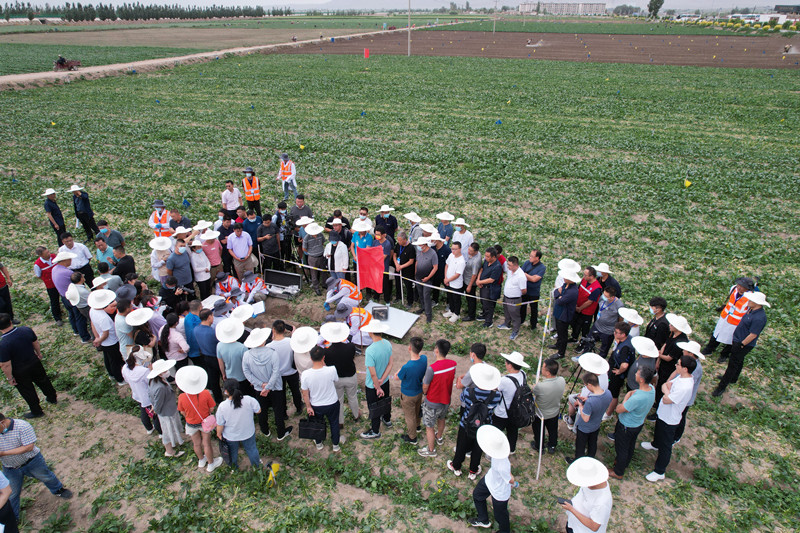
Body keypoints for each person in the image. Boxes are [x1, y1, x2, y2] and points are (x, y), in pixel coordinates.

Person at [0, 413, 72, 519]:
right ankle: (13, 517)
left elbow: (28, 447)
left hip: (32, 461)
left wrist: (3, 453)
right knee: (11, 493)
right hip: (10, 467)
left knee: (46, 476)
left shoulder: (22, 426)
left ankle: (58, 490)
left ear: (2, 423)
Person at [641, 356, 696, 482]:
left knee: (666, 446)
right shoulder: (682, 378)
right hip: (664, 413)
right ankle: (655, 444)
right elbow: (666, 384)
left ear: (685, 368)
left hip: (670, 418)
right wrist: (667, 390)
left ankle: (659, 471)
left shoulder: (685, 386)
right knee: (659, 431)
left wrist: (666, 391)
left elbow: (667, 399)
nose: (676, 365)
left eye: (678, 364)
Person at [447, 363, 502, 478]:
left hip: (466, 423)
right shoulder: (496, 396)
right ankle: (473, 470)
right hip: (484, 426)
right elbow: (497, 404)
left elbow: (462, 400)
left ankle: (456, 466)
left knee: (461, 445)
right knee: (478, 448)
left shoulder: (468, 392)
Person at [0, 314, 57, 419]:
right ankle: (52, 397)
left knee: (27, 390)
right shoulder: (25, 330)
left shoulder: (3, 344)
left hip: (19, 370)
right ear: (11, 322)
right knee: (43, 380)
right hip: (34, 361)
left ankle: (36, 410)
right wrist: (38, 353)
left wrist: (10, 378)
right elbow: (35, 342)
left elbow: (5, 364)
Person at [713, 291, 768, 398]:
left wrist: (741, 344)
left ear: (757, 303)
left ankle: (722, 386)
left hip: (743, 344)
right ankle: (733, 378)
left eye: (751, 300)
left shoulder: (759, 318)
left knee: (732, 364)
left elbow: (753, 335)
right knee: (739, 360)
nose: (748, 301)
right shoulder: (751, 310)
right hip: (738, 339)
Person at [242, 327, 292, 440]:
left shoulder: (247, 355)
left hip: (259, 389)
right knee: (278, 409)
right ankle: (281, 432)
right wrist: (269, 386)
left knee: (262, 409)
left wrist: (261, 384)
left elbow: (247, 372)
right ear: (263, 340)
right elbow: (276, 372)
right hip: (275, 387)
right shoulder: (272, 353)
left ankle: (265, 430)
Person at [607, 366, 655, 479]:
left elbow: (619, 409)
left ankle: (618, 472)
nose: (635, 374)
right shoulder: (651, 389)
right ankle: (624, 463)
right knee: (630, 445)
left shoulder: (637, 398)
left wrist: (626, 397)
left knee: (621, 448)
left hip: (626, 425)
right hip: (638, 423)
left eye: (637, 373)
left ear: (642, 379)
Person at [175, 366, 224, 473]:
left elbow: (182, 411)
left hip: (191, 423)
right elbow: (212, 407)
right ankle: (211, 464)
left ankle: (201, 460)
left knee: (196, 443)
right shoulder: (205, 393)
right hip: (204, 422)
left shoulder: (182, 397)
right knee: (206, 443)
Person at [469, 425, 515, 532]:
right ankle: (483, 519)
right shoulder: (497, 455)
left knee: (500, 515)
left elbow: (510, 480)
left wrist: (512, 477)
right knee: (477, 495)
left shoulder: (503, 465)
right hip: (490, 479)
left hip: (499, 491)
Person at [418, 339, 457, 455]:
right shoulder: (453, 364)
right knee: (441, 419)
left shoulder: (432, 368)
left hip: (432, 402)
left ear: (436, 350)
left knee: (429, 426)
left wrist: (425, 393)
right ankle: (439, 437)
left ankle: (431, 450)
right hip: (446, 400)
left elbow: (425, 386)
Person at [702, 277, 754, 362]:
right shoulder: (733, 289)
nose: (739, 287)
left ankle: (724, 355)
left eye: (742, 286)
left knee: (730, 340)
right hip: (725, 317)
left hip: (735, 322)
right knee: (716, 333)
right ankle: (709, 349)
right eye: (739, 285)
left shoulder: (751, 298)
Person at [301, 347, 342, 452]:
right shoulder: (331, 369)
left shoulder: (305, 374)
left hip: (316, 404)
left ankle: (319, 443)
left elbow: (305, 394)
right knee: (334, 423)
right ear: (324, 357)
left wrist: (308, 406)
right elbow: (336, 380)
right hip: (332, 402)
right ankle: (335, 445)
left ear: (311, 358)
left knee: (317, 423)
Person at [216, 379, 263, 469]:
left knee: (233, 452)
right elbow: (258, 411)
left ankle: (234, 468)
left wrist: (218, 434)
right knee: (252, 449)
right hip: (248, 432)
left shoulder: (222, 406)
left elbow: (220, 424)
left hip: (231, 436)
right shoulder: (249, 400)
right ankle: (256, 466)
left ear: (226, 391)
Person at [566, 373, 612, 464]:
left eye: (585, 385)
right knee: (592, 443)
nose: (586, 387)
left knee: (580, 446)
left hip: (584, 428)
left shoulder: (590, 402)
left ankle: (577, 461)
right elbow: (600, 401)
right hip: (596, 425)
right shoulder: (608, 393)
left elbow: (585, 418)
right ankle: (591, 458)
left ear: (590, 384)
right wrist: (587, 399)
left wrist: (581, 405)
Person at [320, 322, 359, 427]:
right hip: (350, 376)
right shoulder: (350, 347)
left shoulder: (326, 352)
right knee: (353, 397)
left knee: (338, 400)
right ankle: (356, 415)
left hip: (336, 379)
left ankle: (340, 421)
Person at [652, 313, 691, 415]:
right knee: (659, 382)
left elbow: (669, 358)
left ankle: (658, 410)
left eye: (672, 325)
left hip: (669, 368)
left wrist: (658, 355)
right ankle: (656, 401)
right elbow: (665, 345)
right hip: (663, 365)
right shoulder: (672, 334)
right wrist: (658, 360)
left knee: (663, 385)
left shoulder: (680, 342)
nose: (669, 325)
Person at [561, 457, 613, 533]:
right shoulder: (592, 478)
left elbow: (594, 526)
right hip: (574, 524)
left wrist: (571, 509)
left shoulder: (602, 502)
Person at [492, 351, 530, 454]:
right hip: (516, 411)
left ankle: (493, 450)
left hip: (503, 411)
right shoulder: (523, 374)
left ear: (510, 365)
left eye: (506, 362)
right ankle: (511, 449)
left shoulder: (505, 380)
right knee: (513, 430)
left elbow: (495, 388)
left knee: (496, 431)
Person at [360, 321, 393, 439]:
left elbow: (373, 373)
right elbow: (390, 364)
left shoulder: (370, 350)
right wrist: (383, 379)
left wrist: (377, 386)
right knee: (385, 400)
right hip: (385, 381)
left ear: (370, 332)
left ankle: (375, 430)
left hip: (372, 385)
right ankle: (387, 419)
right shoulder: (388, 343)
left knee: (374, 407)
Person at [393, 337, 428, 445]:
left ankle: (412, 437)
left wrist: (398, 371)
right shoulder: (424, 359)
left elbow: (397, 377)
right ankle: (417, 426)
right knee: (417, 410)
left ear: (409, 348)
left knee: (409, 416)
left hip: (408, 395)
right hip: (419, 391)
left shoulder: (407, 367)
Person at [147, 359, 185, 458]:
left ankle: (173, 445)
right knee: (167, 432)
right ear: (159, 374)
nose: (167, 372)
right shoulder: (160, 387)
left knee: (170, 430)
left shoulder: (155, 381)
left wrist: (153, 405)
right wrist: (156, 408)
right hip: (166, 412)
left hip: (168, 409)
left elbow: (151, 396)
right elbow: (158, 403)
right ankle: (169, 451)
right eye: (165, 371)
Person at [122, 345, 162, 435]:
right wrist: (151, 371)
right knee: (155, 414)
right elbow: (151, 383)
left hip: (137, 393)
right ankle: (160, 432)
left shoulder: (125, 368)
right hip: (148, 396)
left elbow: (126, 379)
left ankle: (149, 428)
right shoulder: (144, 371)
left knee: (143, 410)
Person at [52, 251, 90, 341]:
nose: (71, 261)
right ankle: (85, 337)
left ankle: (76, 330)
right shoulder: (67, 272)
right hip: (73, 297)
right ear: (64, 260)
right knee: (79, 317)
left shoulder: (54, 269)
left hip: (64, 296)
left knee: (72, 315)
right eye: (70, 259)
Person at [88, 289, 124, 385]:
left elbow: (93, 325)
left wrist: (97, 337)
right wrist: (99, 340)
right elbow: (106, 333)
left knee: (108, 358)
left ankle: (111, 374)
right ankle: (119, 379)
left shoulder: (92, 310)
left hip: (103, 341)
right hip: (110, 341)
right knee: (114, 361)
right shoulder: (104, 318)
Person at [531, 358, 566, 454]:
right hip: (554, 412)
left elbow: (534, 392)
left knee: (539, 431)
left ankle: (539, 446)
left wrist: (534, 387)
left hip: (540, 414)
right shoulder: (562, 380)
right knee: (553, 430)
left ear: (548, 372)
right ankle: (552, 445)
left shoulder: (541, 386)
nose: (541, 369)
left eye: (542, 367)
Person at [672, 340, 703, 444]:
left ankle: (676, 436)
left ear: (691, 353)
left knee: (680, 416)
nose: (683, 351)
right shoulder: (689, 363)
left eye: (685, 350)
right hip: (678, 394)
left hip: (684, 398)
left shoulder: (696, 369)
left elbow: (686, 385)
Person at [269, 320, 303, 415]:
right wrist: (294, 333)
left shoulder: (269, 346)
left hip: (278, 374)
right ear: (284, 330)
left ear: (273, 330)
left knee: (281, 393)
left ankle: (283, 413)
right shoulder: (291, 341)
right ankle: (299, 407)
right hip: (292, 371)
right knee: (295, 391)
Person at [603, 322, 636, 419]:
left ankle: (608, 413)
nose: (614, 333)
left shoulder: (625, 348)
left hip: (616, 375)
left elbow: (624, 365)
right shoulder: (626, 339)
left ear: (623, 334)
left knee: (614, 394)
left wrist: (619, 371)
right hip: (613, 367)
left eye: (616, 332)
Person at [216, 317, 253, 397]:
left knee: (234, 396)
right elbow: (248, 364)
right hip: (243, 377)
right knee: (246, 395)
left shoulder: (219, 346)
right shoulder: (242, 347)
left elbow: (221, 363)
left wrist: (223, 374)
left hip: (230, 376)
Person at [583, 287, 623, 358]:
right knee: (588, 343)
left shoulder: (619, 305)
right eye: (603, 294)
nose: (603, 296)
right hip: (597, 326)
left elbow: (620, 319)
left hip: (608, 331)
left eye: (606, 296)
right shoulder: (602, 297)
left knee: (604, 349)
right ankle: (585, 356)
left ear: (612, 297)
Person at [552, 269, 580, 359]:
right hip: (559, 312)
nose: (564, 278)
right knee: (559, 332)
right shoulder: (566, 285)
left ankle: (561, 353)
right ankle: (558, 344)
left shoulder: (573, 291)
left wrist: (559, 296)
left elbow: (560, 301)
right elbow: (556, 292)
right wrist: (558, 295)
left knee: (563, 334)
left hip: (564, 315)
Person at [497, 256, 527, 341]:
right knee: (507, 312)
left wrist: (515, 293)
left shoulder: (521, 276)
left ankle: (515, 331)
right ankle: (506, 324)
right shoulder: (510, 271)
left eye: (509, 265)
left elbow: (524, 290)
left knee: (515, 316)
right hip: (506, 297)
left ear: (515, 265)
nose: (508, 267)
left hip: (514, 299)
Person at [195, 310, 222, 402]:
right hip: (216, 358)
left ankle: (218, 400)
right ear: (209, 317)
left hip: (205, 357)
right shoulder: (213, 332)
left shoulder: (196, 329)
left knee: (213, 380)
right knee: (224, 376)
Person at [570, 267, 602, 343]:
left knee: (585, 328)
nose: (583, 276)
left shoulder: (596, 288)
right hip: (577, 307)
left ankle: (583, 343)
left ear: (592, 276)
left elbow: (590, 302)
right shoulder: (584, 280)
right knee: (575, 323)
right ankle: (574, 338)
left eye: (585, 275)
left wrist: (580, 308)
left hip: (586, 312)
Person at [33, 246, 63, 326]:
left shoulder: (54, 256)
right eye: (46, 253)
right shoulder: (37, 264)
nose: (49, 253)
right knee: (54, 301)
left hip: (60, 281)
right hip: (51, 285)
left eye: (48, 251)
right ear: (41, 255)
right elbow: (38, 275)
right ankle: (58, 318)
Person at [476, 246, 503, 329]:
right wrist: (478, 279)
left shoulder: (497, 266)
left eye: (488, 256)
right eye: (486, 256)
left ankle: (489, 321)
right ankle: (484, 315)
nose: (486, 258)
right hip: (483, 286)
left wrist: (480, 282)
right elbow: (481, 269)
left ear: (493, 257)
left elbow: (492, 279)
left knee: (489, 305)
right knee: (483, 302)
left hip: (490, 289)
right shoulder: (486, 262)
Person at [519, 249, 546, 330]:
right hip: (525, 289)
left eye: (532, 256)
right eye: (530, 255)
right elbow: (521, 274)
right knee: (522, 307)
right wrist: (530, 277)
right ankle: (521, 320)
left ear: (537, 258)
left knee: (534, 309)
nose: (530, 257)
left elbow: (535, 279)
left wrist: (526, 275)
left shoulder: (542, 267)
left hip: (534, 292)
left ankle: (533, 325)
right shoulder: (527, 263)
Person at [412, 237, 437, 323]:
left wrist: (428, 277)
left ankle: (428, 314)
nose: (418, 247)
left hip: (427, 279)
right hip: (418, 277)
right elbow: (417, 262)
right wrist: (415, 273)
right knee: (420, 294)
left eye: (420, 245)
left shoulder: (433, 253)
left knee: (426, 296)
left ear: (424, 245)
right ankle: (423, 307)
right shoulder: (419, 251)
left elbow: (435, 267)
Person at [442, 241, 466, 323]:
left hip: (456, 284)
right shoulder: (451, 255)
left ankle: (457, 313)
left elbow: (457, 274)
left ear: (460, 249)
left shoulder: (461, 261)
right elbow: (446, 265)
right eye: (452, 249)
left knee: (456, 299)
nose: (453, 251)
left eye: (455, 249)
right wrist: (445, 277)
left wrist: (448, 280)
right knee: (450, 297)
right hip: (448, 281)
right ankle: (451, 310)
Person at [392, 231, 416, 307]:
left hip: (407, 270)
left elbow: (411, 261)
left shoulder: (411, 248)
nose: (398, 242)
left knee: (408, 286)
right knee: (398, 282)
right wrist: (396, 264)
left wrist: (401, 266)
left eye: (400, 240)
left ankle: (410, 302)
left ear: (405, 239)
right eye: (398, 240)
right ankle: (398, 297)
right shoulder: (398, 245)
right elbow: (394, 254)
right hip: (398, 268)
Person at [303, 223, 327, 296]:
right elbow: (304, 248)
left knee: (324, 271)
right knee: (314, 273)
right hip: (312, 258)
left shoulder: (320, 235)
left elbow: (323, 242)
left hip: (321, 255)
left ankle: (324, 284)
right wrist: (311, 253)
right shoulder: (306, 238)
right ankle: (316, 287)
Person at [460, 242, 482, 323]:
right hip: (466, 278)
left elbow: (474, 275)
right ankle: (469, 311)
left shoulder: (475, 261)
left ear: (476, 251)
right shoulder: (476, 254)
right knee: (468, 298)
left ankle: (471, 315)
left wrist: (469, 286)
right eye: (469, 249)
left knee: (471, 299)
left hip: (470, 282)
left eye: (471, 250)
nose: (468, 251)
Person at [373, 226, 393, 303]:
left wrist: (374, 260)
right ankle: (376, 297)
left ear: (383, 235)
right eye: (375, 234)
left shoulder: (387, 244)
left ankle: (387, 300)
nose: (376, 236)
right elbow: (372, 252)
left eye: (378, 234)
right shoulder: (375, 242)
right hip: (375, 268)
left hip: (383, 268)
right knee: (376, 283)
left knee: (385, 285)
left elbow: (383, 257)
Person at [429, 235, 451, 306]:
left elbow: (449, 263)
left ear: (437, 240)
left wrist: (447, 275)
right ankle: (435, 300)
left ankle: (449, 303)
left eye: (432, 240)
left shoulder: (446, 249)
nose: (431, 241)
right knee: (435, 287)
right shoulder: (433, 248)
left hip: (444, 273)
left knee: (448, 288)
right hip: (435, 272)